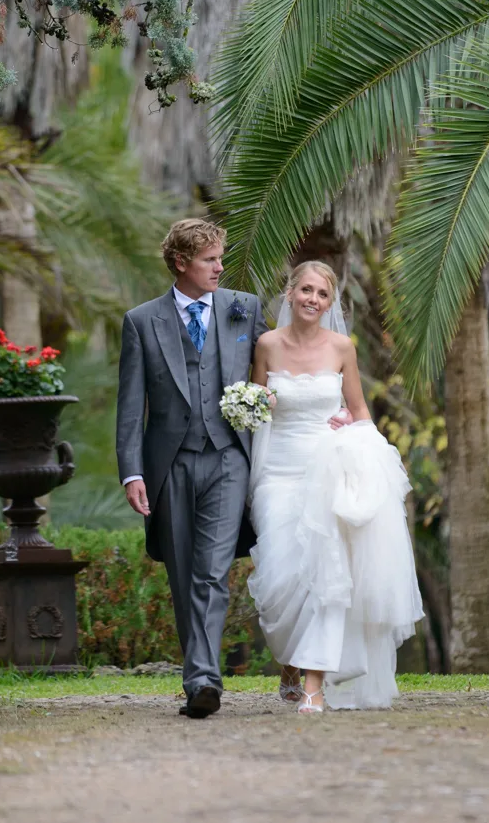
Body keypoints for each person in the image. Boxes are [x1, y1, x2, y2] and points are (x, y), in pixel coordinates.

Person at [115, 220, 351, 719]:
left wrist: (335, 398)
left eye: (221, 258)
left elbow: (290, 351)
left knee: (213, 572)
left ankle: (203, 681)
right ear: (181, 263)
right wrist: (131, 472)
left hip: (228, 460)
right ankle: (199, 672)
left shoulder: (243, 308)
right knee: (183, 574)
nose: (221, 267)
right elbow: (130, 405)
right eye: (210, 260)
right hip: (170, 466)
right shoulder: (141, 321)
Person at [247, 260, 424, 712]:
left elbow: (360, 410)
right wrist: (251, 404)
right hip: (277, 474)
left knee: (324, 572)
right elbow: (254, 407)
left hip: (326, 471)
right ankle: (290, 660)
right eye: (305, 290)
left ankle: (313, 684)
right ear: (289, 294)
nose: (313, 299)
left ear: (330, 303)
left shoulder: (342, 347)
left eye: (322, 294)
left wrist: (352, 426)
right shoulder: (266, 345)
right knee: (279, 577)